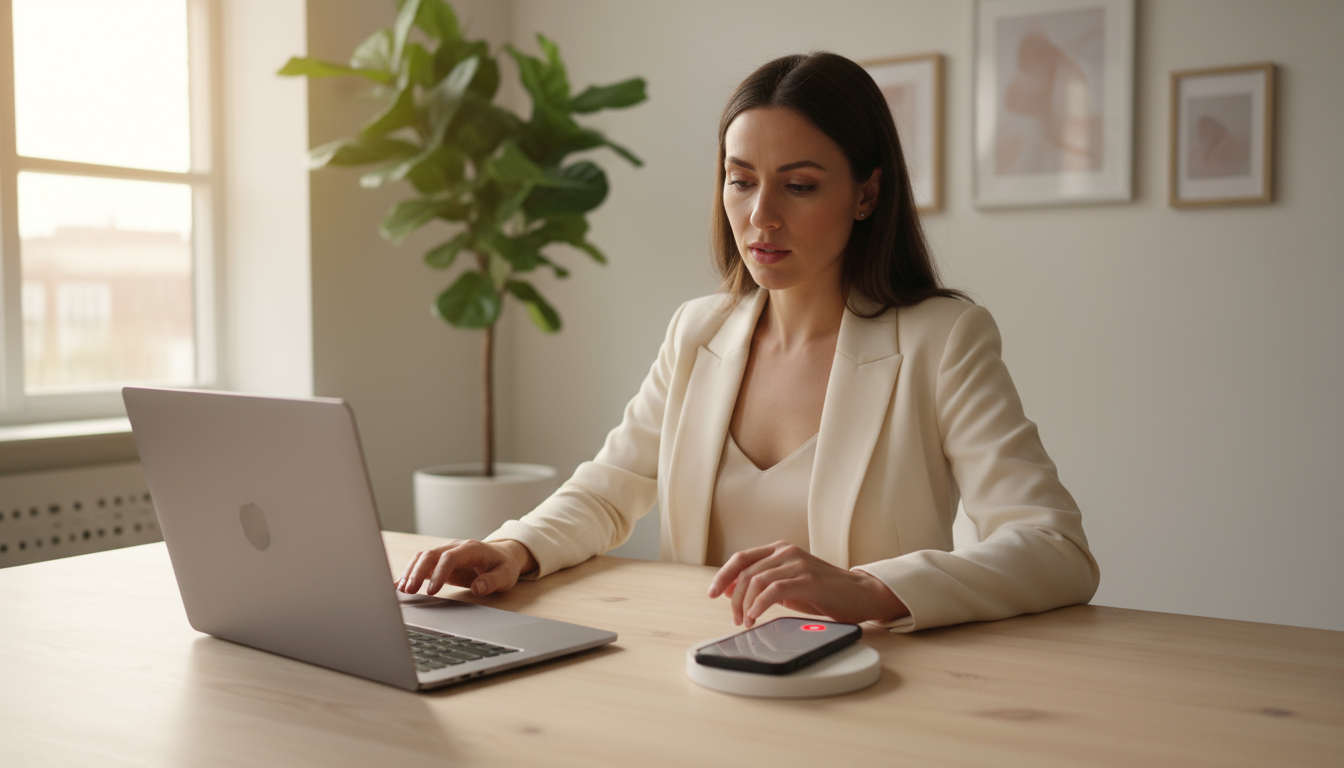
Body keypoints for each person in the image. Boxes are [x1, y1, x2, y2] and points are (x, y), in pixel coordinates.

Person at [396, 52, 1099, 633]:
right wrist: (512, 547)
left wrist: (869, 589)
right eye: (740, 181)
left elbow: (1055, 549)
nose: (760, 217)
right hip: (701, 677)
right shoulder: (697, 330)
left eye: (798, 185)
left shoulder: (942, 340)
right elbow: (610, 491)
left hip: (866, 690)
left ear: (866, 194)